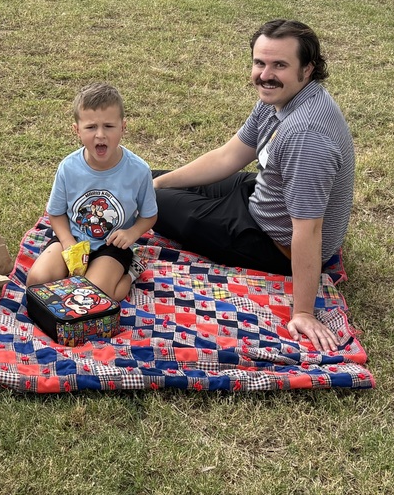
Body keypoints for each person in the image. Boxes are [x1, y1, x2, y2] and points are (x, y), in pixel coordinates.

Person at [151, 20, 354, 352]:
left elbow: (309, 229)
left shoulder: (306, 136)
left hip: (275, 242)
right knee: (149, 181)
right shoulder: (279, 97)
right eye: (260, 62)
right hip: (264, 193)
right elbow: (229, 156)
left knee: (150, 203)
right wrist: (160, 182)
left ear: (308, 69)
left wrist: (303, 311)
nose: (265, 74)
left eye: (280, 65)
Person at [26, 83, 158, 301]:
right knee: (36, 282)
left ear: (123, 127)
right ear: (76, 130)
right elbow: (56, 213)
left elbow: (149, 215)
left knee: (93, 297)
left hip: (112, 247)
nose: (100, 135)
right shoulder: (68, 168)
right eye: (90, 127)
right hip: (73, 240)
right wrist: (68, 241)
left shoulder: (139, 171)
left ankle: (130, 273)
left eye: (108, 126)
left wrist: (131, 233)